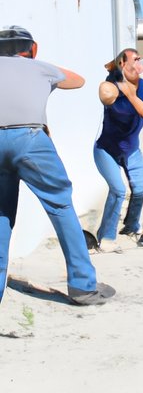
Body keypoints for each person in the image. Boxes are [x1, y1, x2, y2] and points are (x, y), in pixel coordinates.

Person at [0, 26, 114, 306]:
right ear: (33, 49)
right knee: (60, 206)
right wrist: (38, 68)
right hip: (30, 139)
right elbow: (78, 80)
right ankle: (83, 286)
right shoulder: (40, 68)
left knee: (1, 215)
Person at [94, 48, 143, 251]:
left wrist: (130, 94)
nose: (139, 63)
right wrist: (122, 90)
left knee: (139, 190)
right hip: (106, 150)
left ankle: (131, 228)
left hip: (132, 150)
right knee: (119, 190)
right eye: (135, 59)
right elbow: (106, 94)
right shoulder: (111, 86)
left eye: (140, 59)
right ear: (122, 63)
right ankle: (106, 237)